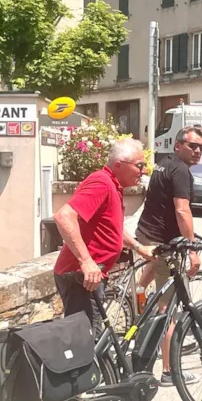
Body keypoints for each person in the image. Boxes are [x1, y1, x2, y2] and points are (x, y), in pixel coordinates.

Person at [53, 138, 154, 333]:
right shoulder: (101, 182)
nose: (144, 171)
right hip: (81, 277)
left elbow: (112, 228)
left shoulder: (113, 186)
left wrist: (139, 248)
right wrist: (86, 261)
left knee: (93, 336)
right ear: (119, 164)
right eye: (139, 165)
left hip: (89, 277)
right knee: (86, 340)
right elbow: (63, 217)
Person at [134, 126, 202, 386]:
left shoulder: (164, 164)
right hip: (163, 243)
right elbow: (182, 210)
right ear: (178, 145)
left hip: (147, 235)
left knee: (147, 281)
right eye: (192, 146)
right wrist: (193, 249)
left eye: (201, 147)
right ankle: (168, 371)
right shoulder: (180, 170)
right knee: (169, 309)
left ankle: (138, 303)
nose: (197, 151)